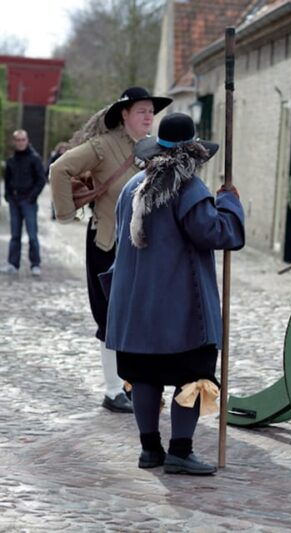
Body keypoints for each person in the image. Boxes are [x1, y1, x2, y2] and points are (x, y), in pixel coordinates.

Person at [103, 112, 244, 474]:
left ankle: (150, 450)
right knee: (190, 376)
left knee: (146, 375)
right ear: (192, 153)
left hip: (136, 308)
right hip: (182, 310)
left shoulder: (133, 186)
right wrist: (229, 203)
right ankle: (180, 451)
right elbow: (217, 234)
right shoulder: (189, 188)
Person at [50, 87, 172, 413]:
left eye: (151, 111)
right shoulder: (102, 147)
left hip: (142, 248)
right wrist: (66, 215)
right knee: (110, 319)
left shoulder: (157, 149)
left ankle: (132, 385)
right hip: (108, 246)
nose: (148, 116)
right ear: (124, 114)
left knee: (138, 319)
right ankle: (113, 390)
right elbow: (59, 170)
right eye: (141, 111)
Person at [1, 129, 46, 275]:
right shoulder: (11, 160)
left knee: (32, 235)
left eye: (23, 140)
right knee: (15, 234)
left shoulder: (34, 158)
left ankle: (35, 264)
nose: (20, 143)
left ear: (27, 140)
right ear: (14, 142)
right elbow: (7, 180)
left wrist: (32, 196)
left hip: (29, 201)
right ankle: (13, 264)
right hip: (14, 200)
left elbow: (41, 179)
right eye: (18, 140)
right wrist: (7, 195)